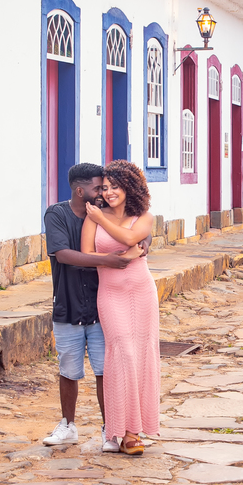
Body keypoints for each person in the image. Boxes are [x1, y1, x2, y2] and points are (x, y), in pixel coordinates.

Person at [42, 163, 147, 451]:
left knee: (107, 370)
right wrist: (108, 261)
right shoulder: (58, 214)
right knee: (69, 370)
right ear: (80, 190)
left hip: (102, 304)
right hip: (69, 302)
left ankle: (109, 430)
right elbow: (63, 254)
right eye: (98, 187)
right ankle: (68, 425)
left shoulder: (104, 215)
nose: (103, 192)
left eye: (107, 187)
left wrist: (144, 238)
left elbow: (132, 227)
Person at [82, 159, 160, 456]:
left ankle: (132, 432)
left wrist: (106, 224)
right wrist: (123, 256)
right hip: (110, 294)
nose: (110, 192)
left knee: (142, 355)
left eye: (116, 187)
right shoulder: (93, 217)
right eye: (105, 188)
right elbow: (88, 254)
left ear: (130, 188)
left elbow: (131, 237)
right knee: (123, 354)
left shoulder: (144, 217)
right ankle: (116, 428)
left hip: (141, 291)